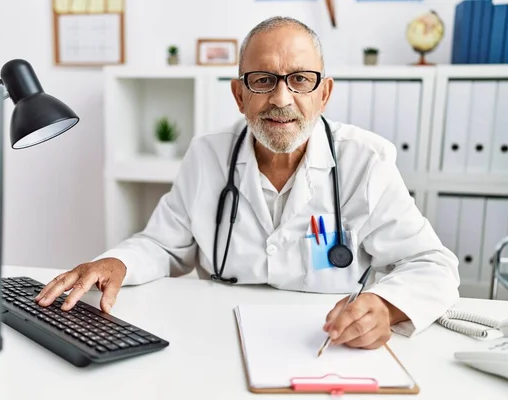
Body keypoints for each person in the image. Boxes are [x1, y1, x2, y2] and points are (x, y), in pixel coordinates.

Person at [35, 16, 460, 350]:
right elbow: (164, 244)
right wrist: (117, 263)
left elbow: (432, 264)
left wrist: (386, 306)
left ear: (324, 93)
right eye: (263, 80)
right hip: (218, 336)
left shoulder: (366, 161)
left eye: (299, 79)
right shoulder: (207, 156)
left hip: (326, 343)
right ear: (240, 96)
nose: (280, 98)